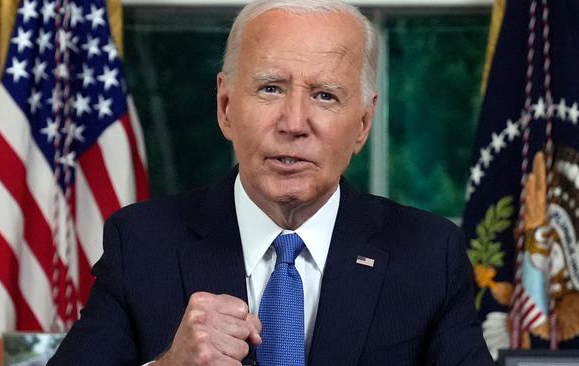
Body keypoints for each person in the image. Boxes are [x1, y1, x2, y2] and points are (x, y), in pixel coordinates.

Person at [48, 0, 492, 365]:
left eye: (325, 95)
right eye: (271, 89)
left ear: (363, 123)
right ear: (225, 106)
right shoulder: (143, 243)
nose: (294, 123)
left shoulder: (429, 254)